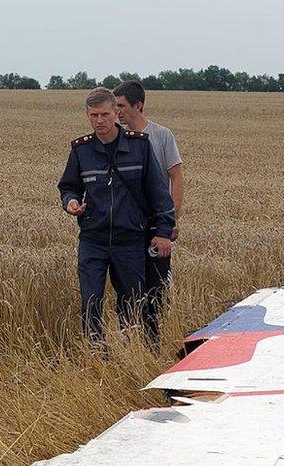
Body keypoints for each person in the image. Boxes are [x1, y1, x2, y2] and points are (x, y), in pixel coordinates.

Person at [58, 87, 175, 342]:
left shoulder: (139, 147)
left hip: (130, 240)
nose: (99, 121)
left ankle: (132, 350)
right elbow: (68, 187)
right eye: (93, 115)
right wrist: (71, 202)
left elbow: (159, 193)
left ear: (115, 113)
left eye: (104, 114)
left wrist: (164, 232)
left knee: (132, 303)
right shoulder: (81, 150)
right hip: (93, 239)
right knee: (91, 302)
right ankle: (97, 355)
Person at [113, 80, 184, 343]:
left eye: (121, 105)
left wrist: (173, 219)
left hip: (157, 225)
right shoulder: (114, 136)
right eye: (115, 105)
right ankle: (128, 339)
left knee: (157, 286)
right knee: (126, 286)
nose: (116, 111)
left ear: (138, 105)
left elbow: (176, 177)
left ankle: (152, 339)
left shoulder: (161, 135)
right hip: (127, 225)